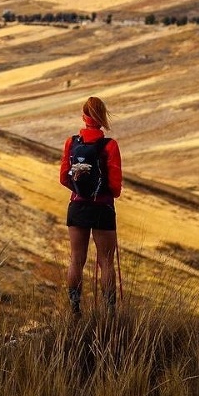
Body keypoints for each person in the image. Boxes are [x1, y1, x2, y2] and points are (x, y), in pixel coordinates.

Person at [60, 96, 123, 316]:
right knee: (106, 262)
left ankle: (75, 309)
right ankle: (109, 311)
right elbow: (115, 187)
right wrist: (101, 192)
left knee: (76, 259)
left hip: (77, 207)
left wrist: (80, 189)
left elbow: (63, 178)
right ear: (102, 117)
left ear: (83, 117)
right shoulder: (110, 146)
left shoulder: (71, 143)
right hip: (102, 208)